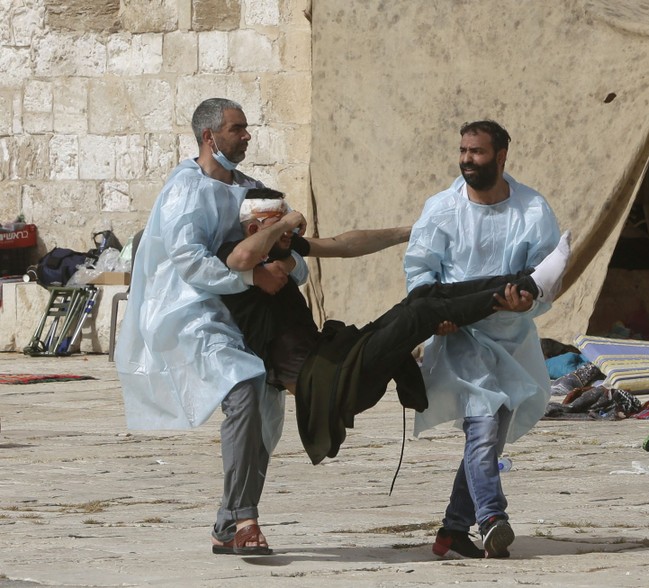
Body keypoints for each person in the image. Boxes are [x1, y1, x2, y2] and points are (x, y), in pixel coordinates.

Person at [220, 190, 571, 467]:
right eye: (278, 224)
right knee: (419, 315)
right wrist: (283, 226)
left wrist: (414, 231)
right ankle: (529, 286)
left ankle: (527, 284)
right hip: (324, 382)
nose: (291, 232)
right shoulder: (238, 257)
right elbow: (240, 259)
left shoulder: (279, 250)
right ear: (254, 228)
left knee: (422, 299)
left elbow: (344, 245)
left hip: (335, 358)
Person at [116, 98, 298, 557]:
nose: (247, 136)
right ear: (208, 137)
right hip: (189, 310)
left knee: (263, 411)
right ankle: (244, 521)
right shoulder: (184, 189)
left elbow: (287, 252)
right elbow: (188, 260)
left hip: (248, 314)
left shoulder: (254, 191)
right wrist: (249, 275)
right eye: (237, 129)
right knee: (244, 384)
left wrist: (285, 266)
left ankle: (226, 521)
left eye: (246, 127)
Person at [404, 120, 564, 559]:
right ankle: (492, 516)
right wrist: (436, 315)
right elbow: (419, 270)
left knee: (490, 438)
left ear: (501, 155)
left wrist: (525, 304)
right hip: (462, 338)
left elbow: (547, 275)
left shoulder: (532, 209)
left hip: (512, 338)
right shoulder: (441, 208)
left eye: (476, 152)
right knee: (483, 422)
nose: (467, 160)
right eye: (463, 151)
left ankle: (453, 530)